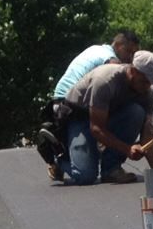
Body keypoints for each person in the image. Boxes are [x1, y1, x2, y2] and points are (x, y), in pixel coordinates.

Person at [37, 31, 141, 174]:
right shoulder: (111, 60)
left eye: (134, 54)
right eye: (128, 51)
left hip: (72, 103)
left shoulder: (96, 48)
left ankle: (108, 166)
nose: (130, 58)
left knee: (132, 111)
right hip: (71, 108)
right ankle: (59, 159)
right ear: (117, 45)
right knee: (85, 175)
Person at [58, 51, 153, 186]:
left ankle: (111, 169)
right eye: (144, 81)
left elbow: (147, 131)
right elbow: (96, 128)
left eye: (150, 82)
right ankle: (58, 158)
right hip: (80, 117)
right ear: (133, 71)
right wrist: (127, 149)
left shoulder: (147, 93)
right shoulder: (105, 81)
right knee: (85, 177)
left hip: (107, 116)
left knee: (136, 112)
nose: (146, 86)